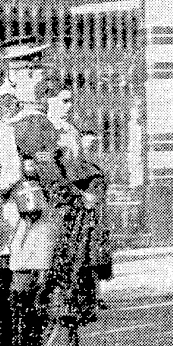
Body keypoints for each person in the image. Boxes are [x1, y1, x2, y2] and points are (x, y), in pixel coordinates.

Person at [0, 36, 94, 346]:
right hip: (39, 208)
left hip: (19, 208)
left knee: (28, 275)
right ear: (13, 77)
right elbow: (33, 170)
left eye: (36, 70)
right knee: (43, 277)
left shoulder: (6, 124)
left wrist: (11, 186)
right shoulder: (30, 124)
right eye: (27, 71)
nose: (35, 77)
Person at [47, 83, 113, 323]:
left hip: (80, 203)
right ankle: (62, 304)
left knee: (82, 251)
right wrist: (79, 194)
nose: (69, 106)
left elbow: (77, 166)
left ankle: (82, 303)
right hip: (63, 201)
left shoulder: (70, 129)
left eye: (70, 101)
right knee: (62, 253)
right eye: (63, 101)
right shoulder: (48, 130)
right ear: (49, 100)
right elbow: (55, 174)